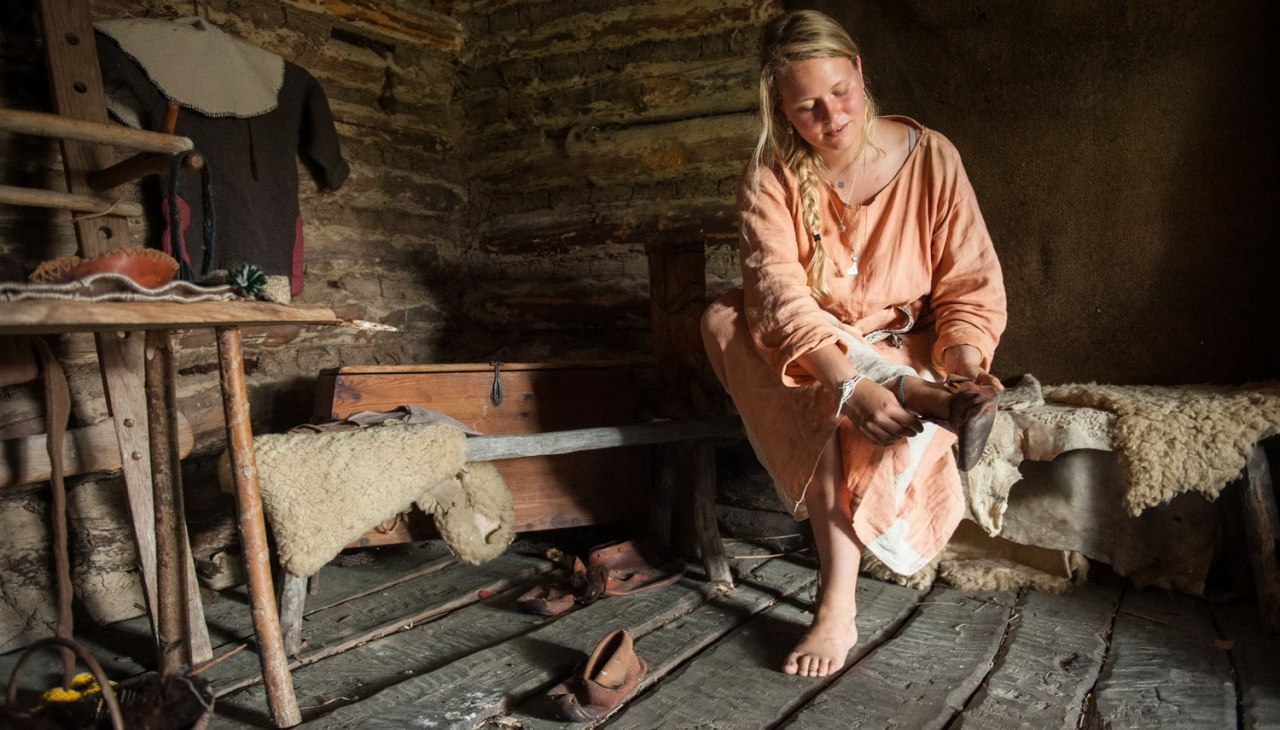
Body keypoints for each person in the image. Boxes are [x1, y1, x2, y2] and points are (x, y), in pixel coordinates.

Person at [701, 10, 1007, 679]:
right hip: (815, 352)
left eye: (839, 91)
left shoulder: (933, 158)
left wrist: (964, 363)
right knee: (736, 322)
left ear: (861, 71)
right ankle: (839, 599)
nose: (832, 115)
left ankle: (932, 397)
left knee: (828, 393)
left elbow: (968, 284)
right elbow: (780, 298)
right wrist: (850, 383)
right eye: (806, 107)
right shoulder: (770, 177)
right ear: (780, 109)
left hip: (908, 350)